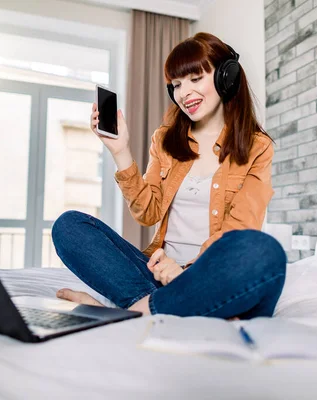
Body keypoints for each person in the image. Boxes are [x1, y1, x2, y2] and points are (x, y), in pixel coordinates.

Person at [51, 32, 286, 319]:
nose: (184, 93)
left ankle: (136, 312)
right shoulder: (165, 140)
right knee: (69, 226)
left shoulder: (257, 147)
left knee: (264, 252)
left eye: (195, 79)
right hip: (158, 274)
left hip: (210, 275)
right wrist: (120, 151)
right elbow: (147, 213)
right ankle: (161, 306)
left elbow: (239, 229)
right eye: (176, 85)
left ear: (228, 77)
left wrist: (185, 273)